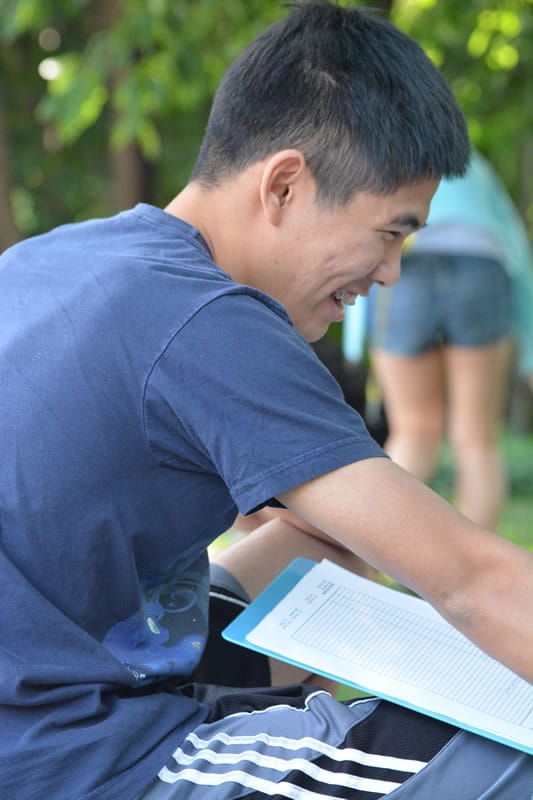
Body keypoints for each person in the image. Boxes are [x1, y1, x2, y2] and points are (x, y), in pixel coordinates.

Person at [0, 3, 531, 799]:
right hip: (68, 755)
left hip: (50, 672)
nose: (389, 274)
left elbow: (327, 535)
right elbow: (465, 579)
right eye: (389, 233)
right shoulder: (208, 320)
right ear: (283, 183)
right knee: (503, 751)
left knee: (326, 544)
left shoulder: (58, 259)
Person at [359, 150, 533, 530]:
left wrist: (358, 334)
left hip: (408, 263)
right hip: (482, 267)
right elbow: (518, 251)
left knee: (414, 430)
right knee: (477, 437)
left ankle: (368, 567)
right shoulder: (477, 168)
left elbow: (362, 240)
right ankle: (476, 576)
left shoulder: (389, 157)